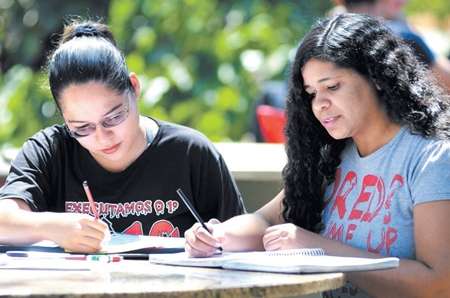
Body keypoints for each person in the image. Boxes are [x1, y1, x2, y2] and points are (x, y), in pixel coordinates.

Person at [185, 13, 450, 297]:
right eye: (311, 93)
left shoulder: (433, 158)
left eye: (332, 87)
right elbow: (266, 221)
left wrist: (319, 249)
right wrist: (216, 236)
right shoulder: (330, 156)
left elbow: (437, 283)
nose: (320, 104)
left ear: (378, 78)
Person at [0, 20, 245, 253]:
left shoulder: (189, 153)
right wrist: (53, 228)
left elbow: (243, 237)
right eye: (81, 128)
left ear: (134, 87)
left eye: (114, 118)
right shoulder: (49, 151)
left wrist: (214, 238)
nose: (102, 137)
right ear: (63, 118)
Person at [332, 0, 450, 92]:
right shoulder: (402, 36)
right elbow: (447, 81)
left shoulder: (326, 37)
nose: (404, 2)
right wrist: (409, 29)